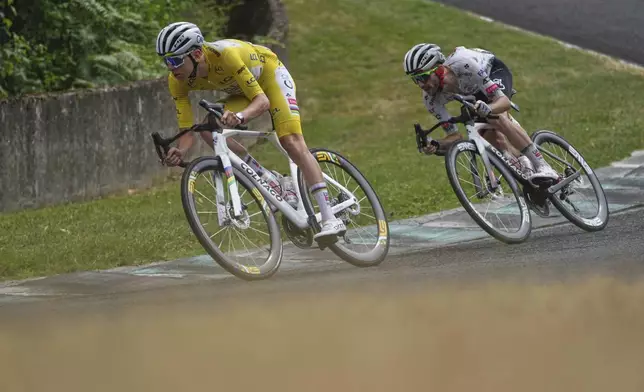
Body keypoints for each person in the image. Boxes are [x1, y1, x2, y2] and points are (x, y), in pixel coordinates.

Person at [156, 21, 346, 243]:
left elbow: (262, 101)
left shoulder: (225, 56)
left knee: (291, 141)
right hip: (242, 89)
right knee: (209, 128)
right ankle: (269, 179)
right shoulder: (176, 81)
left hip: (270, 78)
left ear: (197, 54)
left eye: (175, 60)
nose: (170, 67)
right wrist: (181, 150)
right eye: (166, 61)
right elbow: (187, 129)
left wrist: (239, 117)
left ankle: (330, 217)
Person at [403, 43, 559, 186]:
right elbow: (455, 137)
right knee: (484, 132)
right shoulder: (430, 100)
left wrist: (490, 109)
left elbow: (503, 102)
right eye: (415, 79)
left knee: (497, 118)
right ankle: (524, 165)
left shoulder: (463, 64)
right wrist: (436, 145)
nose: (421, 85)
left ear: (438, 70)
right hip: (473, 92)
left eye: (424, 77)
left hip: (492, 72)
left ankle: (543, 166)